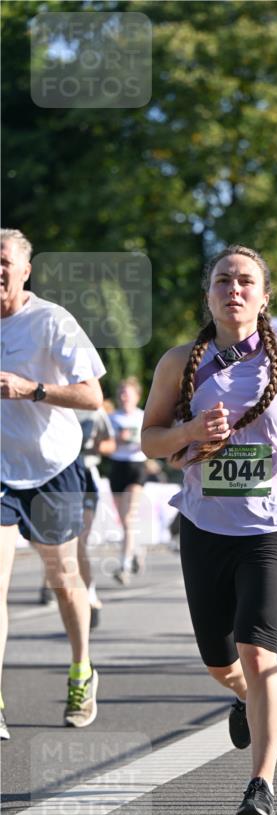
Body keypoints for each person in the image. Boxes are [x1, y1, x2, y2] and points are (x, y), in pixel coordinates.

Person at [141, 245, 277, 815]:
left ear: (265, 295)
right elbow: (150, 439)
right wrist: (191, 430)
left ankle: (261, 785)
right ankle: (241, 696)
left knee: (259, 653)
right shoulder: (179, 361)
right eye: (223, 279)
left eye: (246, 280)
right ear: (208, 295)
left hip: (271, 529)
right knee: (219, 660)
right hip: (205, 527)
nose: (234, 289)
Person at [0, 228, 105, 740]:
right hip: (0, 470)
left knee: (63, 579)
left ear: (25, 270)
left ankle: (82, 669)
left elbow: (93, 397)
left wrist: (30, 389)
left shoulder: (50, 321)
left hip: (51, 467)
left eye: (3, 262)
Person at [39, 406, 117, 624]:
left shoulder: (95, 410)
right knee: (53, 536)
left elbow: (111, 443)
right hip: (57, 476)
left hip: (85, 475)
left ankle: (88, 591)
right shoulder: (52, 405)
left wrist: (94, 444)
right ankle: (49, 583)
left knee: (80, 538)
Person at [109, 376, 148, 585]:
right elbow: (104, 445)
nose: (123, 396)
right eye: (121, 392)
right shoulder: (112, 418)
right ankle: (136, 550)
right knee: (123, 521)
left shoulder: (143, 417)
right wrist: (118, 439)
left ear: (137, 396)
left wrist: (133, 439)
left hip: (136, 467)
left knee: (128, 519)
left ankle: (123, 566)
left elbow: (150, 442)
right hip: (117, 467)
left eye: (127, 392)